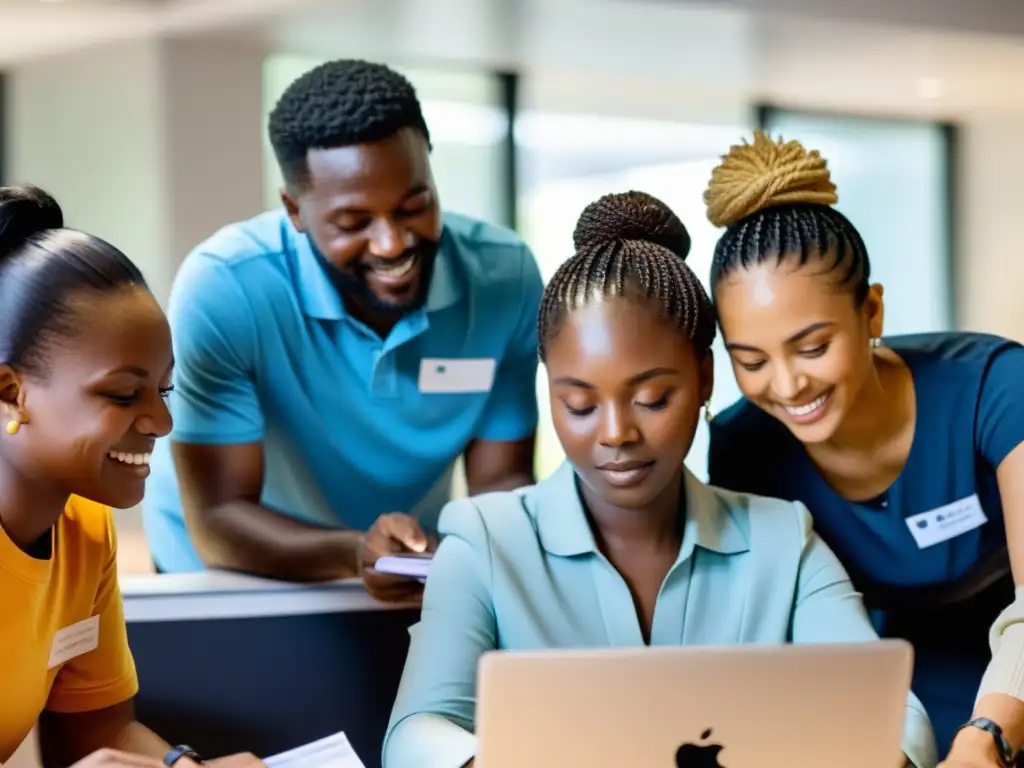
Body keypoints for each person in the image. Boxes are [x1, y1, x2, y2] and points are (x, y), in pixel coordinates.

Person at [381, 191, 936, 768]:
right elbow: (415, 732)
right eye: (579, 405)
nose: (616, 433)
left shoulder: (783, 540)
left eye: (651, 398)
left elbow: (893, 711)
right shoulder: (483, 540)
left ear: (704, 378)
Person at [142, 59, 541, 601]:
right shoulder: (227, 287)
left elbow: (500, 489)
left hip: (407, 567)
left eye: (414, 206)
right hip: (231, 574)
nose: (391, 243)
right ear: (295, 210)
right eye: (354, 223)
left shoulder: (503, 276)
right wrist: (357, 551)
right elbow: (219, 520)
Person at [704, 130, 1024, 766]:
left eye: (813, 347)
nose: (788, 386)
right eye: (751, 360)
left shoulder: (996, 387)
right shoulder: (744, 447)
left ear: (871, 313)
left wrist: (987, 734)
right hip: (890, 681)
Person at [0, 185, 262, 767]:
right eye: (123, 394)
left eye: (164, 390)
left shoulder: (85, 529)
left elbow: (99, 735)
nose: (162, 422)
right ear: (11, 393)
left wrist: (184, 767)